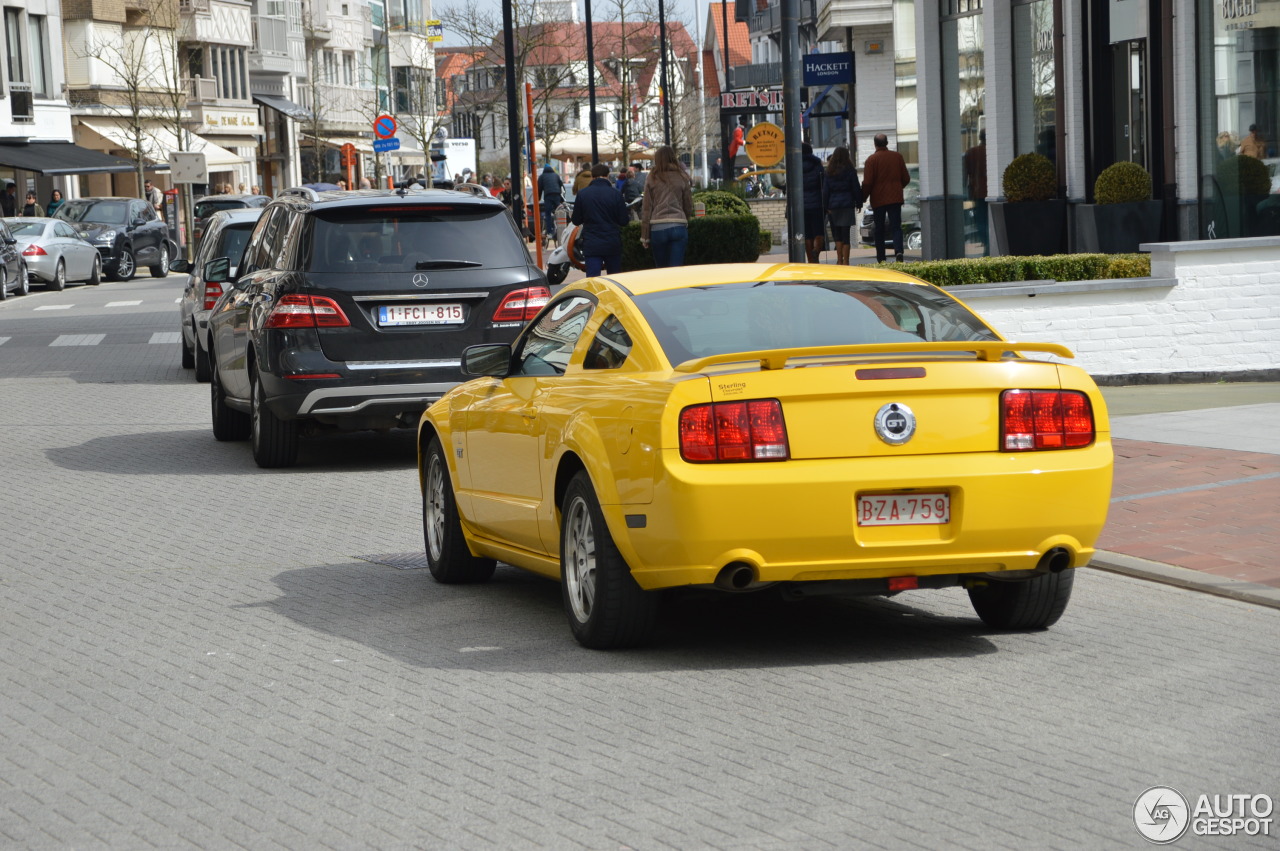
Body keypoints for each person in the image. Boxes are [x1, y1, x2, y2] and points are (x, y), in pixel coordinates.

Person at [640, 146, 694, 268]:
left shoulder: (652, 177)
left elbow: (646, 208)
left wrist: (645, 236)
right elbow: (688, 204)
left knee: (661, 270)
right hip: (678, 225)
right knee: (676, 270)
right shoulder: (682, 176)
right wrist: (685, 220)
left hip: (658, 227)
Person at [571, 163, 629, 277]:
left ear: (593, 176)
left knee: (593, 280)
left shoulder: (583, 194)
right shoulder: (616, 194)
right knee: (615, 280)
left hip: (592, 243)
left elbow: (576, 220)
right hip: (612, 242)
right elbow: (624, 221)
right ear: (607, 176)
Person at [862, 133, 911, 263]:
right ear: (887, 143)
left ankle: (881, 257)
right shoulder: (897, 157)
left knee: (879, 228)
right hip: (895, 198)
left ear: (875, 144)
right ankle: (899, 251)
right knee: (896, 226)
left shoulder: (871, 160)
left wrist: (862, 197)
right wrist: (898, 188)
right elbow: (906, 178)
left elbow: (867, 183)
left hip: (878, 200)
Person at [821, 146, 863, 266]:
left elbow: (825, 191)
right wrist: (859, 202)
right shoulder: (850, 170)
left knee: (837, 235)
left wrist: (825, 206)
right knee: (846, 235)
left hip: (833, 206)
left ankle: (839, 260)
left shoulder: (829, 171)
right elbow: (856, 188)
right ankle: (846, 261)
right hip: (847, 205)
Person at [963, 129, 988, 250]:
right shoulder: (992, 151)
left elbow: (966, 174)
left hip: (977, 191)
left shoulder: (971, 152)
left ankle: (985, 240)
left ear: (980, 137)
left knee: (981, 219)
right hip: (991, 191)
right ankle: (989, 241)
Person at [801, 142, 826, 263]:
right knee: (819, 231)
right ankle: (816, 251)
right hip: (817, 203)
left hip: (802, 205)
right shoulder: (817, 165)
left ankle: (810, 260)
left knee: (808, 234)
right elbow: (823, 183)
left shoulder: (795, 166)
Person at [537, 164, 564, 238]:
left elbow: (539, 188)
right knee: (559, 212)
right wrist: (562, 199)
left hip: (548, 196)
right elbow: (562, 186)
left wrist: (538, 198)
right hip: (557, 195)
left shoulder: (542, 177)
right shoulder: (556, 175)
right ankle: (561, 229)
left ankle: (549, 232)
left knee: (548, 213)